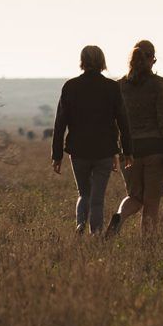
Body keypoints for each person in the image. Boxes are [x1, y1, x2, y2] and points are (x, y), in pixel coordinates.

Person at [51, 45, 131, 235]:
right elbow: (123, 121)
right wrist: (126, 151)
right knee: (97, 198)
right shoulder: (112, 87)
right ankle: (95, 233)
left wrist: (57, 155)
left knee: (84, 193)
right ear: (102, 62)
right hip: (104, 150)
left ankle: (80, 224)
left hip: (78, 151)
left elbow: (60, 123)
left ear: (82, 61)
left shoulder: (70, 86)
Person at [107, 40, 163, 236]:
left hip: (128, 150)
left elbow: (113, 123)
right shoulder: (159, 84)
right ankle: (147, 244)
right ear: (152, 59)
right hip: (155, 148)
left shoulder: (119, 86)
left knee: (134, 196)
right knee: (151, 200)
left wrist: (115, 151)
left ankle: (120, 216)